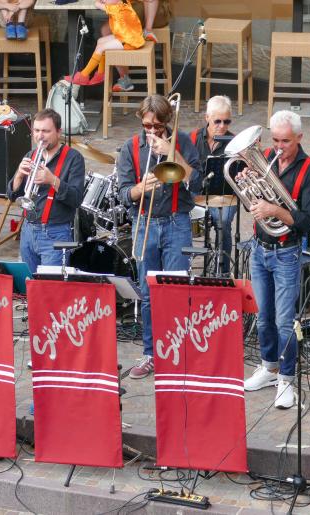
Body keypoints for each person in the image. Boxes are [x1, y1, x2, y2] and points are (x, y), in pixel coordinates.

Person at [117, 94, 203, 379]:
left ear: (167, 122)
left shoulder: (183, 142)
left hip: (177, 221)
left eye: (157, 126)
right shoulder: (131, 147)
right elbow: (123, 193)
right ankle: (151, 353)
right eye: (147, 125)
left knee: (177, 289)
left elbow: (196, 182)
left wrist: (171, 152)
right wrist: (141, 188)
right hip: (145, 222)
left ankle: (178, 351)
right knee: (149, 292)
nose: (152, 131)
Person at [243, 110, 310, 410]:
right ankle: (269, 367)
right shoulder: (264, 158)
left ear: (299, 138)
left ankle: (287, 379)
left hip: (287, 252)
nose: (278, 147)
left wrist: (274, 211)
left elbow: (305, 222)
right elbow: (253, 201)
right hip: (259, 248)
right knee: (263, 318)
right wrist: (246, 182)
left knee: (284, 322)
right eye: (274, 139)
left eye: (285, 141)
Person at [8, 108, 85, 274]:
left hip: (55, 233)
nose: (40, 136)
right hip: (28, 230)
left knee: (50, 288)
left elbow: (76, 199)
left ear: (59, 132)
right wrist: (19, 176)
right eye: (36, 130)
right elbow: (12, 195)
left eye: (46, 131)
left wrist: (53, 180)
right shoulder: (31, 154)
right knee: (29, 285)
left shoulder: (74, 158)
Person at [190, 95, 236, 276]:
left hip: (225, 195)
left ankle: (223, 271)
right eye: (218, 121)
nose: (222, 126)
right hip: (197, 194)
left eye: (227, 121)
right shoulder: (192, 138)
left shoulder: (235, 143)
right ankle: (186, 266)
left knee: (223, 222)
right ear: (207, 118)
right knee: (179, 219)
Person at [66, 0, 145, 87]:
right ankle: (100, 74)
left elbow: (97, 4)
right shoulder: (122, 3)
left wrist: (100, 2)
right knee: (100, 41)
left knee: (101, 47)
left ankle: (84, 75)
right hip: (126, 35)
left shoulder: (116, 8)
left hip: (130, 41)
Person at [100, 0, 172, 92]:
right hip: (132, 12)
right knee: (106, 30)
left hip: (155, 12)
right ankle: (124, 78)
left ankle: (148, 30)